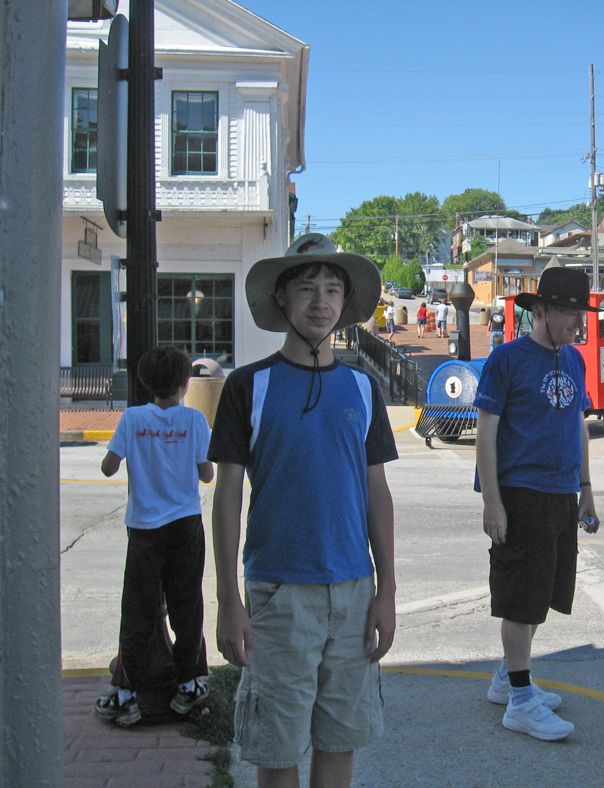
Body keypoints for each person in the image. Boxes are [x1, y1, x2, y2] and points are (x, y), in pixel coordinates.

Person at [209, 233, 398, 786]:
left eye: (334, 289)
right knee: (278, 751)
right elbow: (227, 495)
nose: (322, 301)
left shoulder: (364, 387)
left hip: (353, 592)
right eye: (308, 288)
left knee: (340, 743)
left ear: (345, 303)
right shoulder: (250, 386)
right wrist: (228, 599)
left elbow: (376, 494)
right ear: (283, 300)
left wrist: (385, 591)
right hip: (278, 596)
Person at [475, 267, 599, 743]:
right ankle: (521, 703)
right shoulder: (507, 359)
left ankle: (509, 678)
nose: (577, 323)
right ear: (542, 310)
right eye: (570, 312)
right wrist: (493, 502)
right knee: (520, 600)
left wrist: (586, 486)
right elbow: (486, 431)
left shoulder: (574, 359)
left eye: (580, 313)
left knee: (542, 595)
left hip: (561, 494)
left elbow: (578, 425)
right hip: (520, 492)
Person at [94, 346, 213, 728]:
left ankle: (127, 692)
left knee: (139, 608)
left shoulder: (132, 418)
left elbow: (109, 467)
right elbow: (207, 474)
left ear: (145, 382)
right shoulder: (194, 421)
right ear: (184, 384)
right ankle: (188, 683)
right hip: (185, 525)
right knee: (186, 603)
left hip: (144, 528)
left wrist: (131, 452)